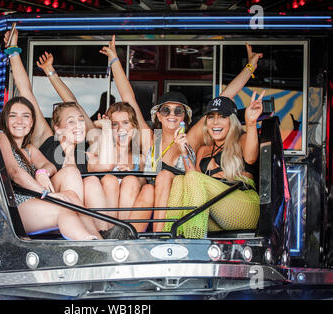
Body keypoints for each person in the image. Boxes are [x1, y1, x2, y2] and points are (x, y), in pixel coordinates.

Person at [102, 35, 263, 232]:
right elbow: (129, 99)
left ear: (185, 118)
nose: (171, 115)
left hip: (181, 204)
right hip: (150, 203)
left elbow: (224, 99)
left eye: (178, 111)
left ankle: (159, 237)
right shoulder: (151, 138)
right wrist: (114, 60)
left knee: (162, 178)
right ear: (158, 116)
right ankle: (125, 238)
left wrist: (250, 68)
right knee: (147, 187)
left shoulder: (192, 138)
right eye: (165, 110)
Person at [4, 29, 114, 233]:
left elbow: (74, 105)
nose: (79, 125)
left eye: (81, 120)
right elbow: (26, 91)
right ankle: (85, 231)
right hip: (50, 202)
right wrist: (13, 51)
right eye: (71, 122)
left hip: (76, 209)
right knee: (71, 172)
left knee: (91, 182)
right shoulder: (47, 139)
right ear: (58, 128)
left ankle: (105, 234)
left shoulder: (86, 149)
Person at [0, 96, 102, 240]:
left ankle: (99, 240)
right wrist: (46, 193)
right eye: (13, 116)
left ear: (32, 121)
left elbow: (49, 165)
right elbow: (15, 173)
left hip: (34, 200)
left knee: (71, 196)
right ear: (5, 120)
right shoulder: (1, 136)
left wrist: (42, 172)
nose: (20, 121)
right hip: (14, 204)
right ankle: (90, 246)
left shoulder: (29, 149)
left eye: (25, 116)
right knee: (65, 209)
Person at [163, 91, 265, 239]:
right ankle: (168, 241)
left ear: (232, 121)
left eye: (223, 117)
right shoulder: (204, 150)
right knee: (179, 180)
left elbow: (250, 158)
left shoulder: (241, 140)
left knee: (193, 178)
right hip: (216, 213)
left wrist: (251, 123)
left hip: (244, 207)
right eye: (211, 117)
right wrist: (183, 151)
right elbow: (192, 179)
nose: (215, 123)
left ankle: (194, 245)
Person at [87, 102, 154, 234]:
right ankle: (108, 232)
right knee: (110, 180)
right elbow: (91, 172)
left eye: (125, 123)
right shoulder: (98, 152)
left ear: (134, 127)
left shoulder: (139, 158)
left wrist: (132, 175)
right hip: (102, 220)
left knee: (131, 180)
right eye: (114, 124)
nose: (120, 128)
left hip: (129, 216)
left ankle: (122, 233)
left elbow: (144, 184)